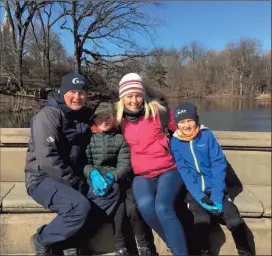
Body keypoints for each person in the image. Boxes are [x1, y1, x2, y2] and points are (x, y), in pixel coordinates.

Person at [115, 73, 188, 256]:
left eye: (138, 95)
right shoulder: (118, 120)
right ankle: (173, 242)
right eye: (129, 96)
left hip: (169, 170)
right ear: (122, 97)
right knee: (146, 207)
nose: (134, 100)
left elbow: (185, 125)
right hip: (142, 175)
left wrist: (200, 130)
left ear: (143, 95)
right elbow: (99, 127)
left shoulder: (159, 112)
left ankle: (180, 251)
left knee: (163, 207)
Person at [170, 102, 254, 256]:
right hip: (195, 193)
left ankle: (245, 251)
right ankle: (204, 252)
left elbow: (218, 164)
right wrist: (200, 197)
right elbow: (185, 173)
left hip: (216, 188)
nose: (186, 125)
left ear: (196, 120)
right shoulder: (175, 142)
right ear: (177, 124)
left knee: (235, 221)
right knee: (201, 222)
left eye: (190, 120)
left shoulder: (206, 135)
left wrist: (216, 196)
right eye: (181, 122)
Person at [25, 72, 94, 255]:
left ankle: (72, 242)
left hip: (73, 175)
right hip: (42, 177)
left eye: (81, 93)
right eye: (72, 91)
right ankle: (43, 239)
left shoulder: (82, 115)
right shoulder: (48, 116)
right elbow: (48, 158)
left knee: (109, 196)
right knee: (79, 207)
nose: (77, 97)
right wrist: (74, 183)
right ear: (62, 91)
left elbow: (107, 117)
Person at [84, 101, 157, 256]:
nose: (103, 121)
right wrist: (93, 173)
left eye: (107, 117)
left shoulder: (120, 139)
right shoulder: (89, 138)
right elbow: (85, 163)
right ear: (94, 120)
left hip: (117, 179)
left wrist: (112, 176)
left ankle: (133, 246)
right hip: (95, 178)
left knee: (126, 207)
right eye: (99, 118)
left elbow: (125, 165)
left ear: (114, 119)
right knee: (107, 206)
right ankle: (114, 246)